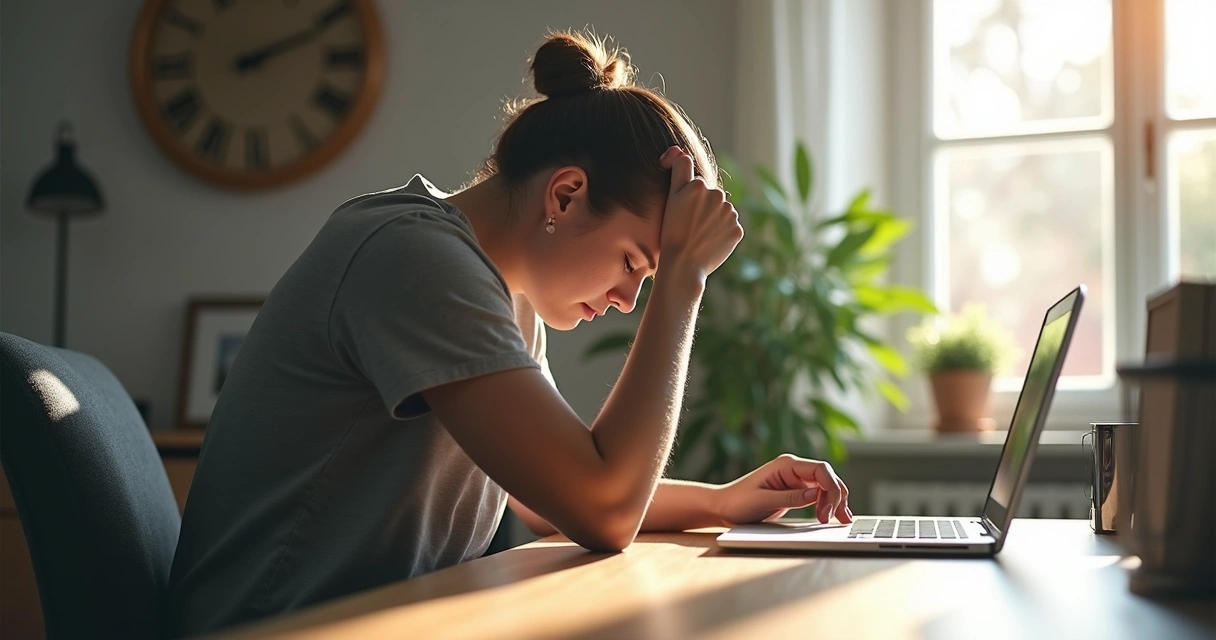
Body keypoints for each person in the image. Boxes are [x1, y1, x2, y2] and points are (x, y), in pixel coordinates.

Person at [164, 30, 853, 638]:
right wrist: (684, 282)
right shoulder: (415, 259)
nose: (625, 299)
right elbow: (601, 509)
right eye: (633, 263)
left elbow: (543, 493)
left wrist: (721, 501)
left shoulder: (497, 290)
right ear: (564, 194)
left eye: (646, 277)